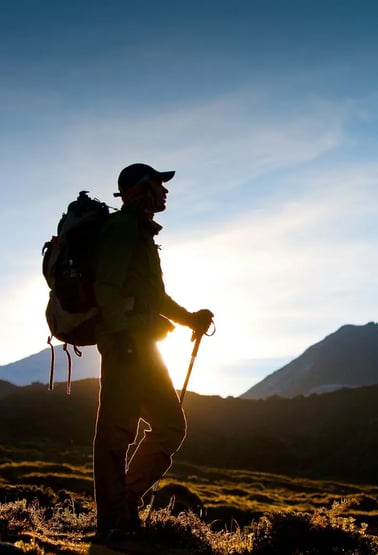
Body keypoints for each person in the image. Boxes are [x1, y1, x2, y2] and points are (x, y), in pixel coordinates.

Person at [92, 162, 213, 539]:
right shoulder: (122, 229)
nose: (164, 191)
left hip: (142, 345)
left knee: (169, 426)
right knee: (117, 432)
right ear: (138, 191)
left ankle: (122, 506)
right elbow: (106, 288)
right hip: (128, 346)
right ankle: (115, 521)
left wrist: (189, 318)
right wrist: (121, 337)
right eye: (158, 184)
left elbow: (154, 296)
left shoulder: (141, 234)